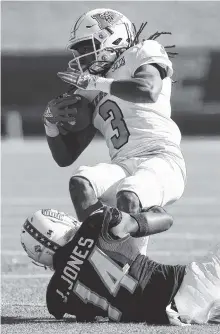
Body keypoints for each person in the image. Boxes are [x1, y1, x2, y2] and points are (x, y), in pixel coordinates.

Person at [43, 8, 186, 254]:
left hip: (162, 158)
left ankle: (130, 266)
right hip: (122, 164)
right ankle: (99, 254)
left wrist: (96, 83)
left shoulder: (142, 51)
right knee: (82, 182)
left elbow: (148, 89)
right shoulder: (88, 89)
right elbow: (65, 157)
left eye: (87, 47)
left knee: (128, 194)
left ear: (113, 37)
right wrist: (50, 123)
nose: (83, 57)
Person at [21, 206, 220, 325]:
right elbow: (166, 221)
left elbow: (89, 315)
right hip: (189, 284)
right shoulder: (96, 224)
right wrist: (152, 211)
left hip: (171, 317)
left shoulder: (55, 298)